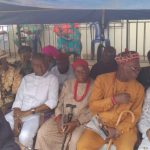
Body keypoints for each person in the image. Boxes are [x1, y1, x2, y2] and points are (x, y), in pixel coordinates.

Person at [77, 50, 144, 150]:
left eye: (139, 68)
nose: (137, 71)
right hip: (101, 126)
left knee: (126, 148)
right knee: (82, 146)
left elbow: (135, 115)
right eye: (134, 67)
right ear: (121, 65)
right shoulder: (102, 80)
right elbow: (93, 106)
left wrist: (117, 130)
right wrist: (114, 100)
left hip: (125, 129)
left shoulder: (139, 88)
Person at [35, 59, 93, 150]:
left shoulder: (95, 85)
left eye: (84, 71)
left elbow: (94, 110)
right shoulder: (68, 83)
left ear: (88, 70)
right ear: (74, 72)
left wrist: (77, 122)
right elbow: (59, 104)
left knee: (74, 140)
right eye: (78, 71)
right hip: (63, 118)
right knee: (43, 132)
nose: (81, 73)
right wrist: (58, 120)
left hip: (81, 121)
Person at [5, 53, 59, 149]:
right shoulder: (27, 79)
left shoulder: (52, 79)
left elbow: (52, 101)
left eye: (43, 65)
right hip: (18, 112)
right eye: (37, 66)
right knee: (4, 128)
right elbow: (18, 99)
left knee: (24, 137)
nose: (41, 68)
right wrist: (17, 118)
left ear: (47, 63)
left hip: (35, 115)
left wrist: (29, 112)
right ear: (32, 65)